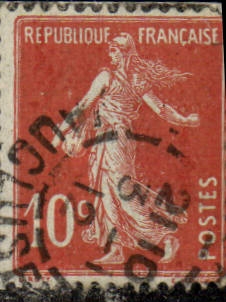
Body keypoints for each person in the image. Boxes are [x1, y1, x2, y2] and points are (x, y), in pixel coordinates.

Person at [57, 33, 200, 267]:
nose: (110, 55)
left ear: (125, 52)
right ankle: (115, 248)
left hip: (117, 140)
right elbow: (85, 105)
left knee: (124, 194)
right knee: (105, 194)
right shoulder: (117, 77)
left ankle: (167, 236)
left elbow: (159, 108)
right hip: (105, 140)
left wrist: (184, 119)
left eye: (114, 50)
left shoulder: (125, 78)